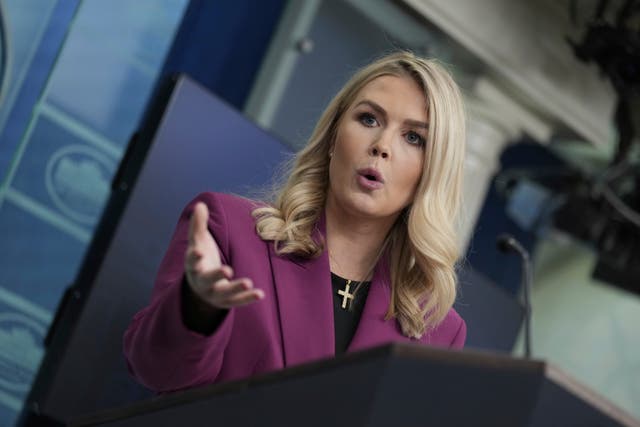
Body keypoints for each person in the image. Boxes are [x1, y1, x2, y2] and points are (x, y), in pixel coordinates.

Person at [123, 51, 467, 393]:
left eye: (413, 138)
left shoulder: (440, 332)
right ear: (334, 137)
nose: (381, 145)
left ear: (431, 173)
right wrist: (195, 309)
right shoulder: (229, 230)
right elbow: (156, 371)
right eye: (369, 120)